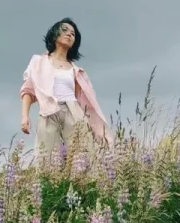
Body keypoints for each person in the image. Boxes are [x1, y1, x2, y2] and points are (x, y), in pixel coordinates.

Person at [20, 18, 114, 167]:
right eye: (65, 30)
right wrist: (25, 116)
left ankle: (80, 187)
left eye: (73, 34)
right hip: (48, 112)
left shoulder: (76, 71)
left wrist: (96, 127)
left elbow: (84, 102)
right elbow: (28, 91)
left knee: (81, 158)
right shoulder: (39, 62)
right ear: (54, 34)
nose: (70, 34)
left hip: (74, 112)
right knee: (47, 160)